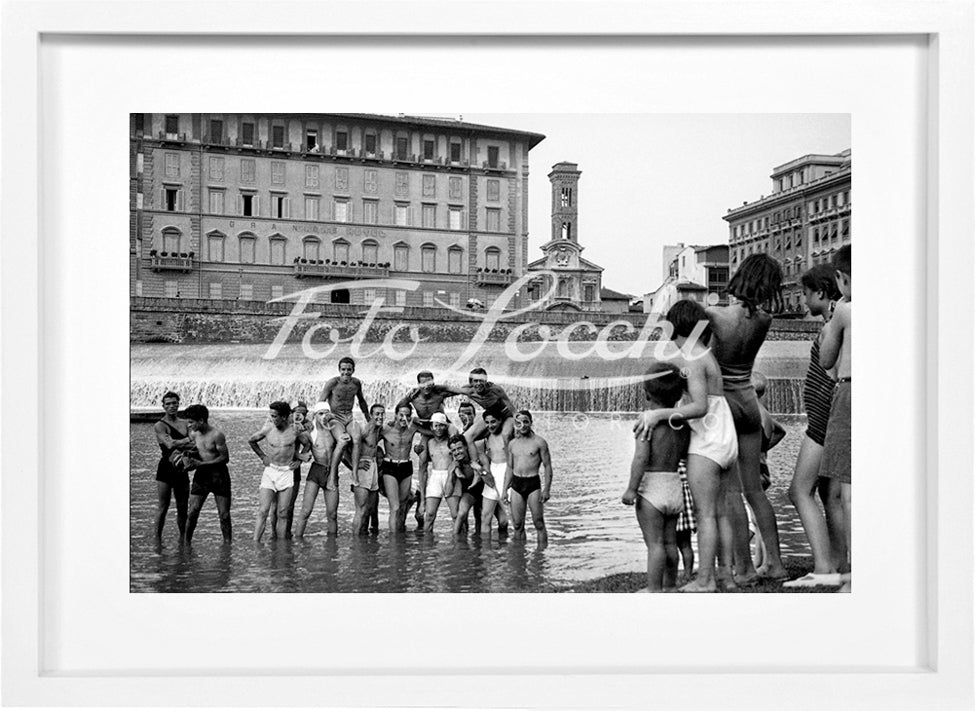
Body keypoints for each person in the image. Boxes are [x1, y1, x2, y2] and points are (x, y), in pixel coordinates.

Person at [633, 299, 740, 592]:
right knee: (719, 513)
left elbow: (701, 407)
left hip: (708, 439)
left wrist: (659, 413)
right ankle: (726, 577)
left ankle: (705, 580)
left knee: (706, 514)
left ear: (674, 327)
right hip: (725, 435)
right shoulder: (707, 355)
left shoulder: (692, 359)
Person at [702, 254, 789, 582]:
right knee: (755, 490)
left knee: (731, 492)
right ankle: (777, 565)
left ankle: (745, 569)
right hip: (749, 403)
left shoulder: (715, 316)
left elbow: (687, 342)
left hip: (724, 405)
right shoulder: (764, 320)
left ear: (741, 277)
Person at [783, 264, 846, 588]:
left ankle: (823, 569)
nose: (804, 301)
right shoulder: (836, 320)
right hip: (827, 419)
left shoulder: (831, 326)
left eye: (806, 294)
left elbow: (831, 373)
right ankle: (839, 564)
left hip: (822, 420)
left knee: (799, 491)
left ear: (822, 292)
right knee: (828, 493)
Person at [622, 363, 691, 592]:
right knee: (671, 542)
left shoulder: (647, 421)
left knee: (655, 544)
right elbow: (683, 454)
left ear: (647, 393)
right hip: (674, 485)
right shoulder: (682, 422)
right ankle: (670, 585)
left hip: (652, 488)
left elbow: (641, 458)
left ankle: (653, 589)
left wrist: (632, 489)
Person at [817, 245, 852, 593]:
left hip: (849, 392)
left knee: (848, 490)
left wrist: (830, 326)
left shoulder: (844, 309)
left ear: (841, 279)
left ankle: (852, 573)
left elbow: (827, 360)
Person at [250, 401, 311, 542]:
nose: (272, 418)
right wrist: (262, 456)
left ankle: (281, 547)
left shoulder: (295, 430)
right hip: (270, 471)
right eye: (271, 415)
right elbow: (251, 441)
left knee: (283, 512)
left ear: (284, 417)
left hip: (286, 472)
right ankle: (256, 544)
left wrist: (299, 460)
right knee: (263, 510)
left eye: (275, 416)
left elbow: (307, 444)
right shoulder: (268, 429)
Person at [182, 404, 232, 544]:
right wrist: (189, 456)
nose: (189, 424)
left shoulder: (217, 435)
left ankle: (227, 546)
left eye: (191, 421)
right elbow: (199, 450)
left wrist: (201, 464)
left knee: (224, 515)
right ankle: (186, 544)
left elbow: (225, 458)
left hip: (219, 475)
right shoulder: (193, 433)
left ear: (201, 421)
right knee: (192, 511)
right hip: (201, 476)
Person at [319, 356, 370, 487]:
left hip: (349, 417)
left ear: (353, 370)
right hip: (335, 418)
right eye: (343, 369)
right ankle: (331, 475)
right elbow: (321, 402)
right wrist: (322, 418)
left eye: (349, 369)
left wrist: (368, 418)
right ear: (339, 370)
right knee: (343, 441)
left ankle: (354, 473)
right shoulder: (332, 383)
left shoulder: (356, 383)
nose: (346, 372)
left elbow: (362, 400)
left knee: (357, 438)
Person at [504, 410, 553, 545]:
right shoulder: (512, 444)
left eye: (526, 421)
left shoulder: (539, 442)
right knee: (518, 525)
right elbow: (509, 467)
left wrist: (547, 490)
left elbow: (547, 466)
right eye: (519, 422)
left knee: (539, 523)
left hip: (532, 484)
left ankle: (541, 556)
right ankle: (520, 556)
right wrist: (504, 490)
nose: (523, 425)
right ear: (515, 424)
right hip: (516, 484)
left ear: (531, 422)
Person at [152, 391, 194, 541]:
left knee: (183, 508)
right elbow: (169, 444)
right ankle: (157, 539)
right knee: (163, 506)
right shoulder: (160, 425)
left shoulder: (184, 423)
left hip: (181, 468)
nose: (172, 406)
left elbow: (194, 442)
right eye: (168, 404)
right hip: (165, 468)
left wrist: (181, 442)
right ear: (163, 406)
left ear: (178, 404)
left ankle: (183, 539)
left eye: (174, 403)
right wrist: (186, 440)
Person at [294, 402, 338, 537]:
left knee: (332, 514)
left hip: (331, 471)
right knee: (306, 511)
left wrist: (355, 467)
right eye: (320, 414)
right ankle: (296, 541)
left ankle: (332, 548)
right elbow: (291, 446)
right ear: (315, 415)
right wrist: (299, 458)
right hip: (316, 470)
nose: (324, 416)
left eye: (326, 413)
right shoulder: (310, 433)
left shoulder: (335, 431)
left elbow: (344, 451)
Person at [444, 368, 517, 447]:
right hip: (490, 416)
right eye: (476, 381)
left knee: (506, 435)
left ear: (485, 381)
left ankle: (510, 458)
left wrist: (518, 423)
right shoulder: (469, 391)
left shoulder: (495, 389)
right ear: (471, 382)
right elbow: (449, 390)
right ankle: (474, 459)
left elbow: (512, 409)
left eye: (481, 380)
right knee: (467, 437)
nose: (479, 383)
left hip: (505, 415)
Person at [380, 403, 422, 532]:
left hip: (406, 466)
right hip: (390, 467)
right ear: (396, 415)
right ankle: (393, 542)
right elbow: (367, 442)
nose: (404, 418)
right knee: (395, 507)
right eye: (401, 415)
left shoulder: (413, 428)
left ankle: (400, 538)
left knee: (403, 505)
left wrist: (421, 445)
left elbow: (433, 431)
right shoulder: (386, 429)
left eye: (408, 415)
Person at [420, 412, 462, 531]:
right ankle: (427, 546)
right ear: (431, 427)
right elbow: (422, 466)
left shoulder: (451, 441)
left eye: (442, 425)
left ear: (446, 426)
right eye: (436, 425)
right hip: (435, 476)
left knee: (456, 515)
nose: (439, 428)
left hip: (451, 474)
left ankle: (461, 545)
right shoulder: (429, 442)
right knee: (429, 515)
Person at [447, 434, 491, 536]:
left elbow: (490, 482)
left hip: (486, 489)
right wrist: (450, 474)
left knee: (502, 522)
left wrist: (480, 469)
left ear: (466, 446)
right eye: (454, 450)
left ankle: (481, 544)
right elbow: (448, 492)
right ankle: (456, 541)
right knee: (461, 513)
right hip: (471, 491)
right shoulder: (455, 465)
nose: (457, 452)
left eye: (459, 448)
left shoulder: (480, 457)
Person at [351, 404, 382, 535]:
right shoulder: (365, 429)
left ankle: (363, 541)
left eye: (382, 414)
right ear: (370, 415)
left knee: (369, 508)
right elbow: (348, 446)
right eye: (377, 414)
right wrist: (356, 466)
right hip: (364, 466)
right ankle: (356, 542)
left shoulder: (378, 429)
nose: (380, 416)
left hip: (373, 465)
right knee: (361, 509)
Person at [481, 411, 511, 536]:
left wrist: (506, 486)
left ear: (500, 421)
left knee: (511, 519)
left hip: (506, 471)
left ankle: (515, 551)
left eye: (493, 422)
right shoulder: (487, 436)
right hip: (492, 471)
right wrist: (483, 471)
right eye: (487, 422)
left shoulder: (508, 435)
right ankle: (485, 552)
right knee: (485, 516)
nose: (490, 425)